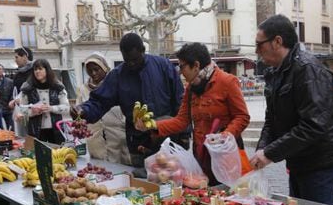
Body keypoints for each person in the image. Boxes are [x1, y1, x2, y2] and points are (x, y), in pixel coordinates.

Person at [250, 14, 333, 205]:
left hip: (321, 162)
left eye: (259, 45)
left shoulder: (308, 70)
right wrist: (262, 147)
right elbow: (272, 118)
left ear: (277, 41)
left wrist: (270, 153)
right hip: (299, 159)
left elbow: (312, 126)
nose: (257, 51)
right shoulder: (275, 72)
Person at [135, 42, 250, 185]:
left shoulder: (227, 82)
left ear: (195, 65)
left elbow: (242, 116)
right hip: (202, 158)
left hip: (225, 156)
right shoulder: (191, 89)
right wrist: (152, 126)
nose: (180, 71)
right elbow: (181, 121)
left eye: (182, 66)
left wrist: (225, 136)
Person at [73, 33, 187, 170]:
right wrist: (83, 110)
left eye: (135, 59)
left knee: (173, 181)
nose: (131, 64)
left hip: (168, 140)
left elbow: (181, 103)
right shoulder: (117, 76)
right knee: (144, 184)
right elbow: (99, 101)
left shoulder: (163, 66)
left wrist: (184, 136)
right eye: (127, 60)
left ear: (143, 51)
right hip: (138, 143)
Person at [76, 52, 131, 165]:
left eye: (97, 69)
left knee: (122, 167)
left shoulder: (115, 85)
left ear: (105, 68)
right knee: (101, 168)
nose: (93, 73)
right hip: (95, 135)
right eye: (90, 71)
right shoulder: (83, 89)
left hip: (117, 133)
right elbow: (80, 110)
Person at [17, 59, 70, 144]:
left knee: (58, 154)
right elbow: (21, 110)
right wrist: (33, 111)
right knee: (36, 155)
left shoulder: (58, 87)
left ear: (47, 70)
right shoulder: (27, 89)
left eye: (40, 69)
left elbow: (66, 107)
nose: (37, 72)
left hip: (56, 129)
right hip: (35, 130)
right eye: (35, 69)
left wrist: (51, 108)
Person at [9, 47, 34, 136]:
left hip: (33, 109)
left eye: (16, 57)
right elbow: (15, 90)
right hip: (20, 108)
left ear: (25, 57)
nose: (15, 60)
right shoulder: (18, 74)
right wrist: (13, 100)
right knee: (21, 136)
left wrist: (22, 98)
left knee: (32, 136)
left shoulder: (35, 71)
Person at [0, 64, 14, 130]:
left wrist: (11, 103)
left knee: (11, 128)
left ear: (3, 70)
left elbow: (12, 94)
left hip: (7, 108)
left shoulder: (10, 82)